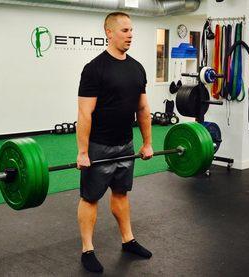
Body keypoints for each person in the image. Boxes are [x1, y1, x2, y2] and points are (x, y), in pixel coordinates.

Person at [76, 12, 153, 273]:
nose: (130, 35)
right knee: (90, 198)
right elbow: (84, 113)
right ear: (108, 32)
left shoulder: (137, 67)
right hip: (99, 146)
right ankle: (87, 249)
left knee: (121, 193)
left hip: (125, 144)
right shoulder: (94, 69)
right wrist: (83, 151)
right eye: (124, 30)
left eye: (131, 30)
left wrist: (147, 143)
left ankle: (128, 240)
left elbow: (143, 109)